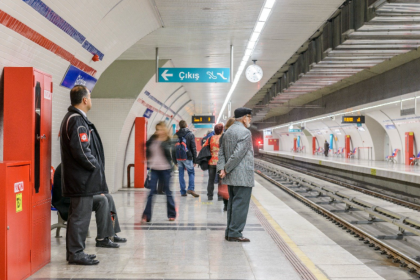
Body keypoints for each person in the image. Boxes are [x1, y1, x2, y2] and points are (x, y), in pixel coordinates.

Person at [60, 85, 107, 265]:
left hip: (79, 179)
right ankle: (76, 253)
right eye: (90, 97)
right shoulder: (77, 121)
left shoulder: (75, 119)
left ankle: (75, 252)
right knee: (80, 217)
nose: (91, 100)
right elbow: (81, 151)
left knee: (78, 217)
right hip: (81, 180)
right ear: (85, 100)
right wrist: (95, 167)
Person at [53, 164, 126, 248]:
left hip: (76, 196)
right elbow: (79, 187)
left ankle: (112, 233)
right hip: (67, 201)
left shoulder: (74, 165)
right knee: (102, 200)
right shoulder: (67, 167)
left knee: (108, 196)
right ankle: (102, 239)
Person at [217, 108, 254, 242]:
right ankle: (235, 233)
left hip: (231, 176)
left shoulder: (228, 132)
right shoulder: (245, 132)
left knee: (233, 204)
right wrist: (226, 169)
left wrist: (222, 168)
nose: (250, 120)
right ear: (244, 118)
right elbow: (238, 155)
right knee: (241, 204)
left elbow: (220, 152)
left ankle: (230, 231)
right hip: (242, 175)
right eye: (249, 117)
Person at [142, 121, 177, 222]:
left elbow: (172, 152)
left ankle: (172, 214)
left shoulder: (168, 140)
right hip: (154, 169)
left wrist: (174, 163)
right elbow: (145, 148)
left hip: (166, 169)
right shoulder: (152, 139)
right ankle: (146, 216)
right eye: (157, 129)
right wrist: (147, 160)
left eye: (161, 129)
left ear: (165, 129)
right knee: (151, 192)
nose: (159, 131)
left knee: (168, 192)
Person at [174, 120, 199, 197]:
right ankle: (191, 188)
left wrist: (174, 160)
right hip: (188, 157)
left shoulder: (175, 134)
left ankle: (182, 191)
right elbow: (193, 148)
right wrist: (195, 160)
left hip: (178, 157)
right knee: (191, 173)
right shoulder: (190, 134)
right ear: (186, 125)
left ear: (179, 126)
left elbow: (173, 148)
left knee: (181, 173)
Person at [218, 118, 236, 211]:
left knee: (225, 185)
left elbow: (221, 150)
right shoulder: (236, 135)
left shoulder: (223, 136)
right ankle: (231, 204)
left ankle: (226, 204)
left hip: (225, 164)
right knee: (233, 186)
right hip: (233, 164)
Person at [203, 123, 224, 201]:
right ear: (222, 130)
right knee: (220, 180)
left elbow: (204, 147)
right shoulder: (223, 138)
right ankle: (220, 197)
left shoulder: (210, 138)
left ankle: (210, 196)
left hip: (211, 162)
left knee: (211, 180)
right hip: (220, 162)